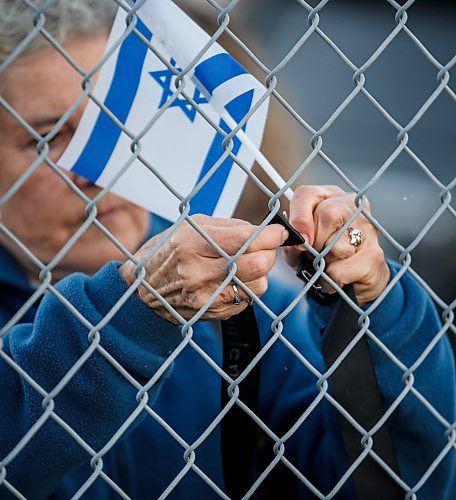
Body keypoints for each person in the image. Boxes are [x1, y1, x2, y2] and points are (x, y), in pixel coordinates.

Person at [0, 1, 454, 499]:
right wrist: (130, 318)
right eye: (48, 137)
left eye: (114, 121)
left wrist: (374, 307)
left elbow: (400, 484)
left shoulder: (246, 302)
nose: (95, 166)